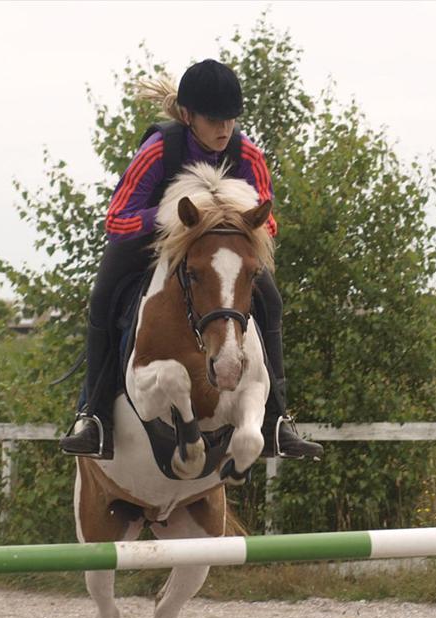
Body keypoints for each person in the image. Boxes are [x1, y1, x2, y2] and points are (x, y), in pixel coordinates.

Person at [59, 59, 322, 462]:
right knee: (102, 297)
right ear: (187, 116)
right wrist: (170, 216)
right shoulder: (158, 150)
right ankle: (93, 416)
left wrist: (228, 220)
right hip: (151, 240)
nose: (224, 129)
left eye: (231, 119)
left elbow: (267, 223)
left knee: (271, 300)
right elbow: (117, 219)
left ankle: (277, 420)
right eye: (214, 120)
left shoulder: (247, 154)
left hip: (223, 246)